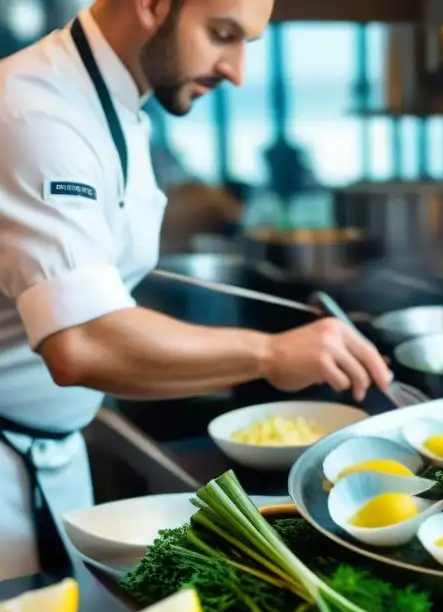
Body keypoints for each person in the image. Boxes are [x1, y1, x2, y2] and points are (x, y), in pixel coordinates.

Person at [0, 0, 393, 581]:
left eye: (246, 43)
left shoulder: (111, 99)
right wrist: (271, 354)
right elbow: (82, 343)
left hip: (46, 452)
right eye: (221, 34)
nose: (236, 70)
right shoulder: (35, 113)